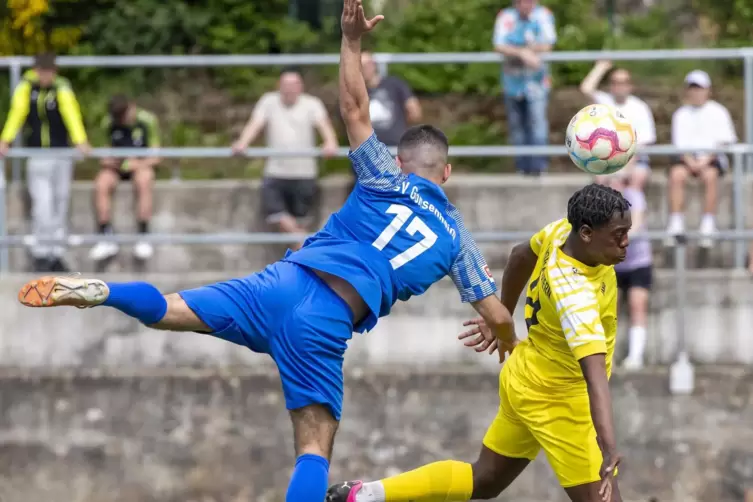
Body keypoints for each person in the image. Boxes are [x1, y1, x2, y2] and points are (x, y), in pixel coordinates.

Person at [16, 2, 516, 502]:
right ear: (446, 174)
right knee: (314, 448)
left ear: (402, 162)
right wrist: (507, 340)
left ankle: (103, 290)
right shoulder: (457, 238)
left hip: (284, 280)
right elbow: (496, 312)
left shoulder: (384, 174)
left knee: (169, 309)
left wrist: (351, 40)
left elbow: (354, 109)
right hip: (326, 323)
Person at [328, 183, 631, 502]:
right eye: (618, 233)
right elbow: (594, 376)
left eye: (627, 231)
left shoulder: (561, 233)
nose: (626, 242)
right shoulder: (576, 297)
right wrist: (608, 446)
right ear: (586, 233)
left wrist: (499, 315)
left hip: (527, 377)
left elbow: (519, 256)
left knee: (484, 479)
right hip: (561, 402)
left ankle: (366, 495)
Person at [0, 52, 91, 272]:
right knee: (42, 205)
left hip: (61, 153)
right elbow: (17, 113)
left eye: (49, 71)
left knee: (60, 203)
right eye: (42, 70)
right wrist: (6, 139)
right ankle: (42, 253)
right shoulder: (26, 87)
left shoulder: (61, 88)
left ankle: (56, 253)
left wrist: (80, 140)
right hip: (38, 154)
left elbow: (71, 114)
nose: (45, 75)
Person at [231, 67, 339, 250]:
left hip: (304, 172)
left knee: (301, 220)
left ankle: (302, 261)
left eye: (294, 84)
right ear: (278, 86)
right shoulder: (268, 102)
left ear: (301, 86)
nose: (290, 88)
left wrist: (330, 142)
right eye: (286, 84)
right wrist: (242, 142)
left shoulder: (312, 103)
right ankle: (308, 249)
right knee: (276, 215)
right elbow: (255, 124)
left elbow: (325, 126)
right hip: (276, 171)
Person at [666, 70, 737, 248]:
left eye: (700, 88)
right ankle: (676, 223)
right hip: (687, 159)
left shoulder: (719, 112)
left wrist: (704, 161)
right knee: (677, 175)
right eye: (693, 88)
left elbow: (724, 143)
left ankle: (708, 224)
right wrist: (691, 162)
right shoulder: (680, 114)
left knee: (710, 175)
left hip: (711, 159)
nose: (696, 92)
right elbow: (679, 145)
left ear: (708, 90)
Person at [89, 95, 161, 263]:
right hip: (117, 167)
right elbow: (101, 152)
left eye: (124, 115)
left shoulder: (147, 121)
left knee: (144, 179)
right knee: (101, 182)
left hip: (140, 164)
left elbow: (157, 156)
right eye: (118, 116)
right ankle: (106, 236)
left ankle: (143, 235)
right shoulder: (108, 122)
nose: (121, 120)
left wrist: (138, 163)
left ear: (132, 107)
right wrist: (108, 160)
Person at [493, 0, 557, 176]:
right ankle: (522, 167)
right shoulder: (506, 17)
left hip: (537, 83)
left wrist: (525, 50)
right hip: (512, 83)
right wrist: (522, 53)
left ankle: (538, 167)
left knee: (537, 124)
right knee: (517, 126)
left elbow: (548, 44)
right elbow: (499, 45)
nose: (526, 4)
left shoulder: (543, 15)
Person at [580, 61, 657, 190]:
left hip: (635, 160)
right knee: (601, 180)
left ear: (630, 85)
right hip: (607, 159)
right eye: (615, 82)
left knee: (636, 178)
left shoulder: (640, 107)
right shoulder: (604, 102)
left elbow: (643, 143)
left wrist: (624, 168)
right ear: (610, 85)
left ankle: (635, 209)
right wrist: (601, 67)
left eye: (623, 82)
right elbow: (586, 88)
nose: (619, 86)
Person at [606, 173, 652, 370]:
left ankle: (636, 355)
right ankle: (608, 355)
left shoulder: (634, 196)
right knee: (608, 310)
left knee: (637, 303)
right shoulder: (601, 201)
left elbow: (637, 224)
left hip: (638, 262)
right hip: (611, 265)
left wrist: (617, 239)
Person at [361, 51, 422, 146]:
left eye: (367, 64)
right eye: (361, 66)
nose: (364, 69)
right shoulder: (356, 92)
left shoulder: (394, 84)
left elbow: (414, 111)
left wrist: (402, 127)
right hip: (368, 149)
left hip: (395, 146)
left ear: (373, 65)